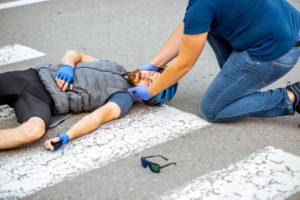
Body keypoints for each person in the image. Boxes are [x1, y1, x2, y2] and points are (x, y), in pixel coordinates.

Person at [129, 0, 300, 123]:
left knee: (212, 110)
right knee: (202, 25)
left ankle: (294, 95)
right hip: (288, 29)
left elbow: (184, 64)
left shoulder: (202, 5)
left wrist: (152, 90)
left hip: (277, 52)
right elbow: (188, 26)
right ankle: (239, 85)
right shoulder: (201, 7)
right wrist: (155, 63)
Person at [0, 50, 177, 151]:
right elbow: (74, 54)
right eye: (151, 73)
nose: (145, 76)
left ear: (148, 95)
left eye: (149, 83)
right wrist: (68, 65)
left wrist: (66, 136)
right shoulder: (114, 66)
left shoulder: (123, 98)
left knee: (33, 131)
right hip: (33, 76)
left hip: (44, 101)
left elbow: (96, 118)